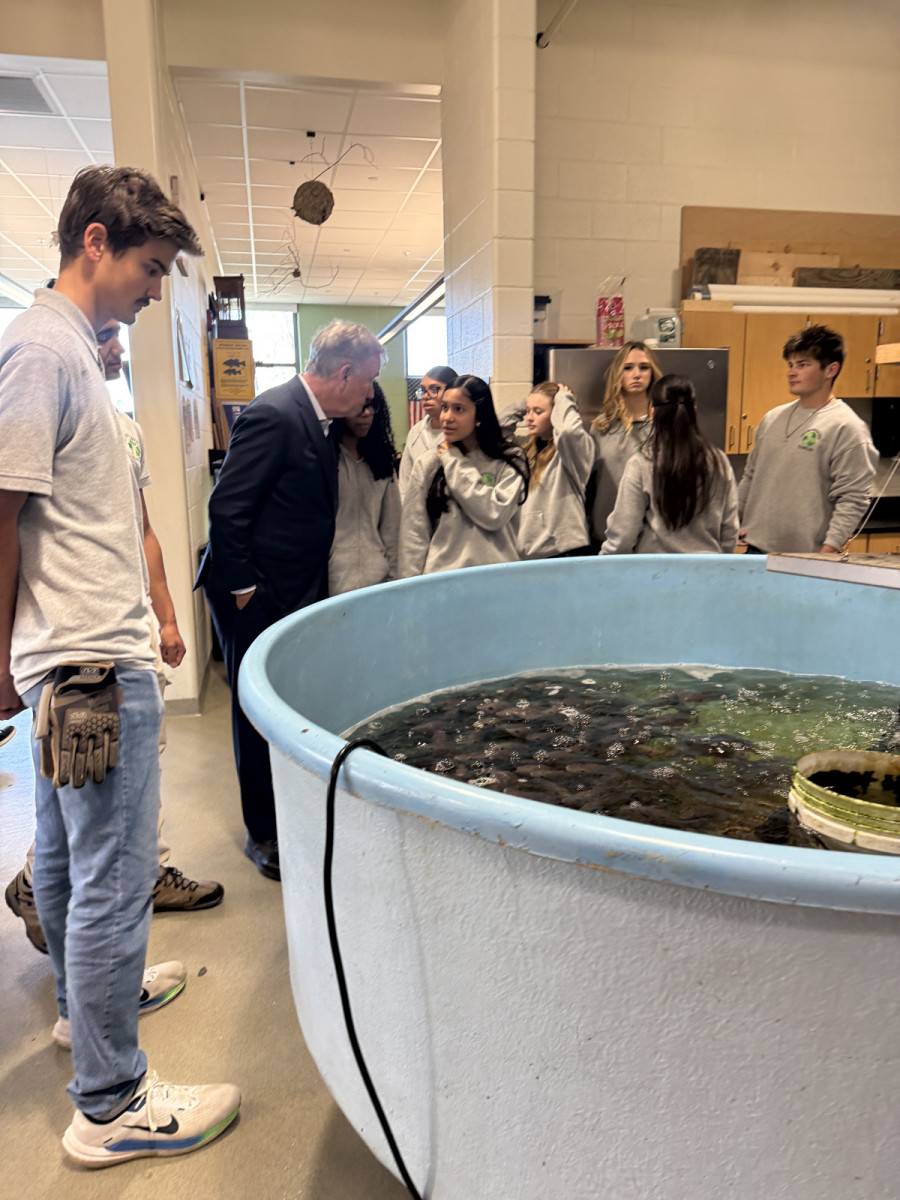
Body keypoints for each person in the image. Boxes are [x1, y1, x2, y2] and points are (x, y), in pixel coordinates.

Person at [0, 164, 240, 1167]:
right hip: (90, 665)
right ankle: (112, 1101)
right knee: (112, 878)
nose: (155, 288)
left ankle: (85, 1012)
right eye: (150, 266)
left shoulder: (66, 353)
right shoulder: (39, 347)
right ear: (95, 241)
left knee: (67, 860)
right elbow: (1, 509)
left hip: (84, 659)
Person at [4, 322, 223, 958]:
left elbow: (143, 531)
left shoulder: (124, 428)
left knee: (135, 775)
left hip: (128, 631)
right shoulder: (37, 394)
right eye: (106, 335)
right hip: (77, 645)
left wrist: (167, 618)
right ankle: (43, 890)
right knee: (89, 799)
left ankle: (142, 874)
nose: (119, 348)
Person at [197, 319, 384, 880]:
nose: (370, 395)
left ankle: (289, 811)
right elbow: (227, 509)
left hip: (291, 588)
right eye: (368, 382)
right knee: (255, 713)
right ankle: (264, 833)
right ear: (345, 373)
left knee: (286, 705)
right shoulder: (276, 414)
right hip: (255, 594)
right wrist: (245, 592)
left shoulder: (317, 421)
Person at [737, 325, 878, 554]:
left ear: (831, 370)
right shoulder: (772, 418)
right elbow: (751, 475)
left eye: (803, 365)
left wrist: (828, 551)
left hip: (807, 554)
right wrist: (734, 519)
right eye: (791, 365)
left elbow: (853, 498)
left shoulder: (846, 427)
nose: (792, 372)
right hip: (755, 548)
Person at [399, 374, 529, 576]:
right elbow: (413, 536)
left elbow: (494, 514)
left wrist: (454, 461)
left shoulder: (510, 460)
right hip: (444, 581)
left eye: (458, 409)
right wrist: (410, 588)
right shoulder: (428, 464)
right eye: (445, 407)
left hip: (498, 580)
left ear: (479, 416)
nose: (447, 417)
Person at [601, 374, 739, 555]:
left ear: (652, 414)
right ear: (694, 410)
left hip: (656, 569)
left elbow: (624, 534)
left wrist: (604, 561)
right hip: (707, 568)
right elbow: (730, 531)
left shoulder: (642, 464)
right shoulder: (719, 461)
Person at [499, 381, 594, 559]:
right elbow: (495, 432)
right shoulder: (525, 451)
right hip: (530, 552)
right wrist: (527, 402)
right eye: (528, 411)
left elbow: (568, 432)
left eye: (538, 412)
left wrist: (564, 398)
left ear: (556, 413)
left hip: (565, 551)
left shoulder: (572, 454)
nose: (529, 418)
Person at [328, 381, 401, 596]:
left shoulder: (381, 463)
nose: (367, 413)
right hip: (332, 584)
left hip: (377, 583)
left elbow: (392, 528)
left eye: (372, 406)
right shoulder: (325, 462)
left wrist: (395, 581)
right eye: (361, 406)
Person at [589, 341, 663, 548]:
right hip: (604, 536)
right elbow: (589, 484)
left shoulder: (662, 425)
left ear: (652, 373)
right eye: (628, 368)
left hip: (651, 539)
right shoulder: (601, 427)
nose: (636, 374)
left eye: (644, 367)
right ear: (618, 375)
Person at [398, 364, 456, 500]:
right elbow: (405, 485)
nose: (425, 396)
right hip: (417, 509)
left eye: (434, 389)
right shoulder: (416, 432)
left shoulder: (463, 431)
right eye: (423, 390)